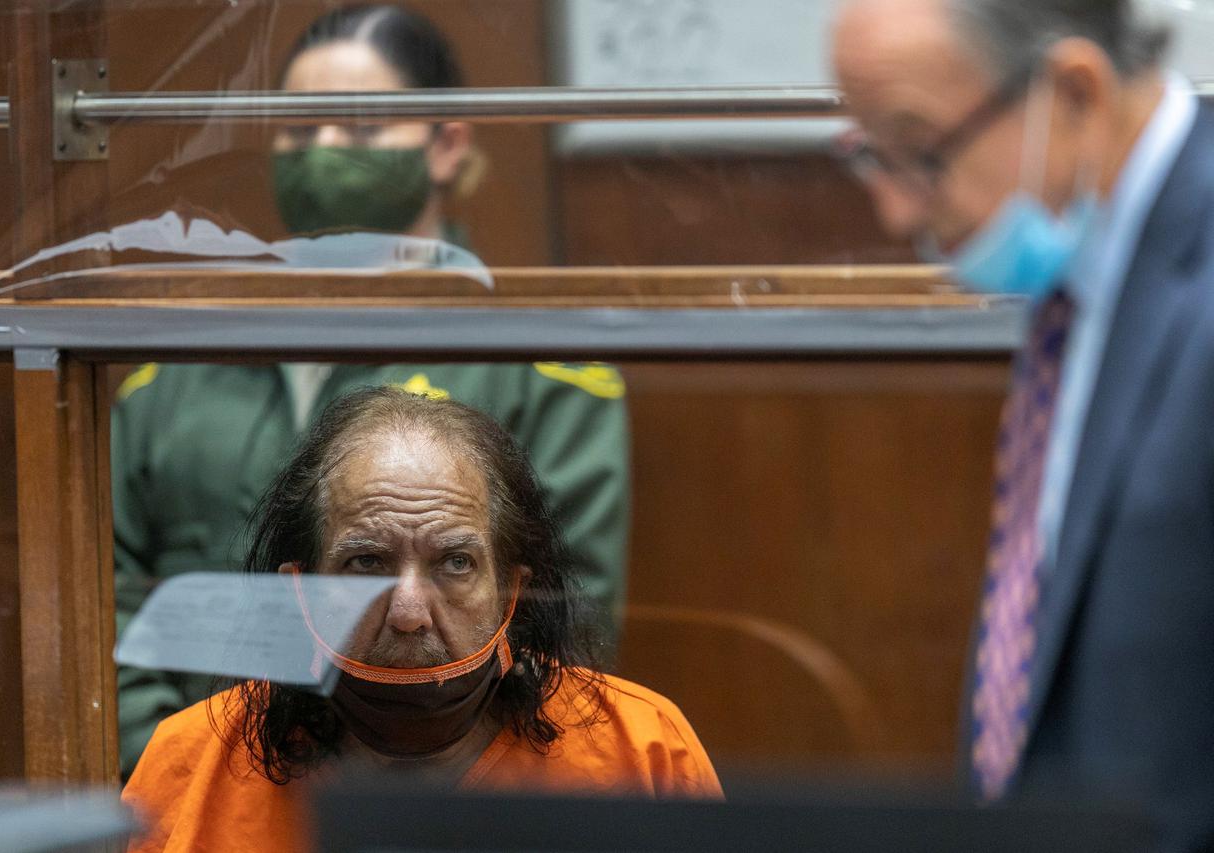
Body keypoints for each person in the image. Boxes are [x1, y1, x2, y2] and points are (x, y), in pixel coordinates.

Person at [113, 3, 630, 779]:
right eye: (297, 129)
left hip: (448, 798)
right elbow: (105, 608)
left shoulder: (536, 367)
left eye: (358, 126)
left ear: (445, 145)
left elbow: (557, 629)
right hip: (204, 796)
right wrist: (199, 778)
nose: (322, 149)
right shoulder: (173, 374)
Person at [832, 0, 1214, 848]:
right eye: (870, 156)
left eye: (922, 153)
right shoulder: (1074, 289)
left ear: (1074, 93)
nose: (896, 213)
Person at [121, 388, 719, 853]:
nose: (408, 614)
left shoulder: (642, 751)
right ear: (300, 592)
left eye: (455, 563)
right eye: (366, 563)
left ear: (512, 590)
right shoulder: (191, 762)